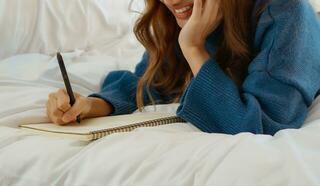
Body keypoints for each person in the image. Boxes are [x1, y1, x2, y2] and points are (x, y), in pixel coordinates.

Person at [46, 0, 320, 135]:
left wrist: (193, 48)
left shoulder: (287, 14)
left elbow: (254, 125)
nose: (172, 1)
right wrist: (88, 106)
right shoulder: (188, 16)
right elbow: (153, 80)